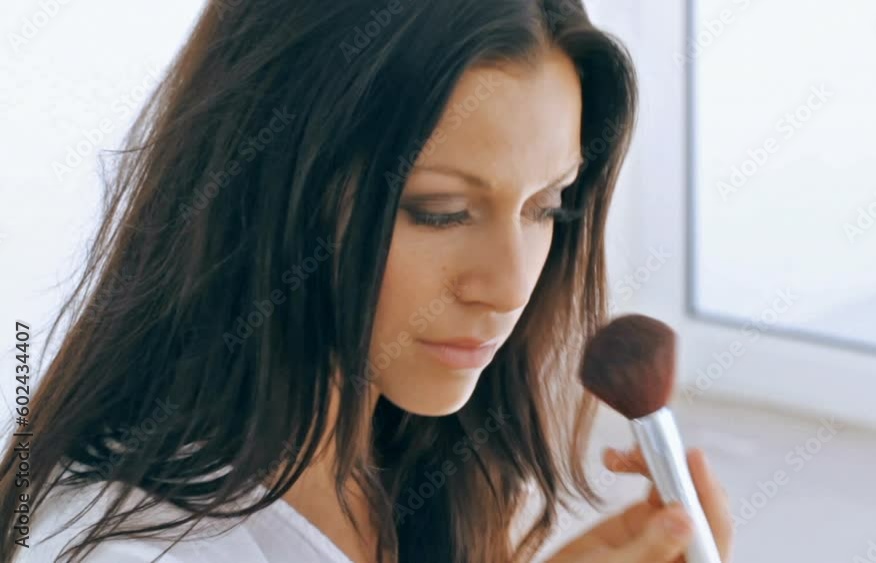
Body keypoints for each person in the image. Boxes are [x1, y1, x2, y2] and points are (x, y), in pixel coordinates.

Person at [0, 1, 733, 562]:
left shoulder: (410, 463)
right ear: (272, 193)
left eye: (547, 206)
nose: (510, 286)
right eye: (439, 212)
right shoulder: (140, 547)